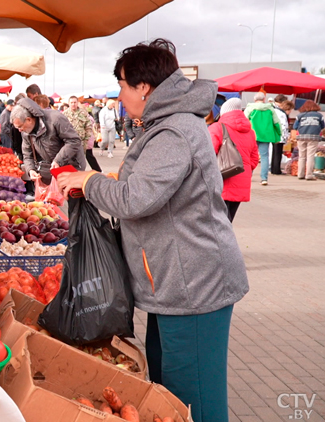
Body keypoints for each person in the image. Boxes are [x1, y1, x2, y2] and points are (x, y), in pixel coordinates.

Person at [56, 39, 248, 422]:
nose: (122, 95)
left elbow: (138, 198)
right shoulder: (167, 125)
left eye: (125, 86)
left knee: (193, 398)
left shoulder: (173, 132)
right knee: (167, 388)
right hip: (173, 283)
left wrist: (91, 181)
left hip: (193, 284)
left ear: (144, 87)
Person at [10, 97, 87, 186]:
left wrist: (58, 160)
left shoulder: (55, 119)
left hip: (72, 165)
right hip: (50, 168)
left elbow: (73, 141)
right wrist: (30, 170)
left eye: (20, 126)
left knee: (71, 195)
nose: (19, 130)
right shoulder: (26, 132)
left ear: (29, 119)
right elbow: (27, 154)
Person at [208, 98, 260, 222]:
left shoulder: (217, 127)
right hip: (241, 181)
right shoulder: (250, 132)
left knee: (216, 224)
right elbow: (254, 159)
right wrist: (244, 169)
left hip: (221, 181)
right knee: (228, 221)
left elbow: (207, 154)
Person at [244, 91, 281, 186]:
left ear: (254, 99)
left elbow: (244, 121)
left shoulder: (250, 108)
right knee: (264, 157)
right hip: (266, 136)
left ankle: (248, 177)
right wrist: (278, 134)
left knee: (249, 156)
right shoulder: (270, 109)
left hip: (252, 135)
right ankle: (264, 178)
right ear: (264, 99)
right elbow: (277, 123)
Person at [64, 96, 100, 172]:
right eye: (71, 102)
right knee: (69, 159)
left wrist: (87, 139)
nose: (73, 104)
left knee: (80, 161)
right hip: (69, 142)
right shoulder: (64, 114)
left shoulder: (83, 113)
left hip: (81, 141)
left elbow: (88, 126)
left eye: (75, 102)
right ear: (69, 103)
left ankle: (80, 174)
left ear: (77, 103)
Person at [292, 100, 325, 181]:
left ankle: (300, 174)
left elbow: (295, 127)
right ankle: (309, 175)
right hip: (313, 138)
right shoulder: (319, 116)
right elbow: (322, 126)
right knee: (310, 156)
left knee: (302, 156)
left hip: (301, 137)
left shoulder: (300, 116)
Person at [270, 94, 290, 175]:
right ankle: (277, 170)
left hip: (274, 134)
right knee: (278, 153)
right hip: (279, 135)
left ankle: (273, 169)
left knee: (274, 152)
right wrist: (285, 136)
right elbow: (283, 125)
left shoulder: (273, 109)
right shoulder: (280, 112)